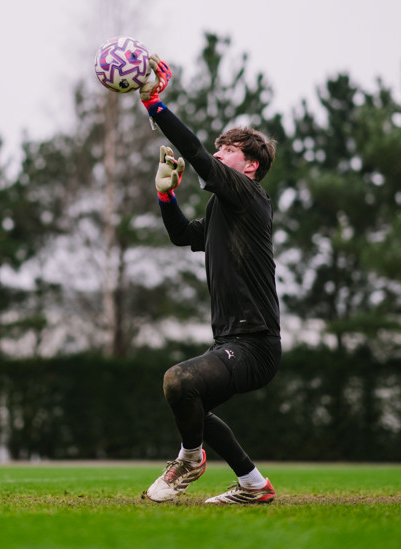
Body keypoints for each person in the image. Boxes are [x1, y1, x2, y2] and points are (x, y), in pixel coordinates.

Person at [138, 55, 281, 505]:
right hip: (232, 339)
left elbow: (197, 154)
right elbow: (183, 236)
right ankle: (254, 485)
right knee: (193, 405)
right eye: (220, 149)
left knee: (179, 382)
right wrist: (165, 196)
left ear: (250, 166)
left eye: (229, 150)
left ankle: (189, 459)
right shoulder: (224, 207)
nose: (219, 154)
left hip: (255, 343)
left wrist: (154, 104)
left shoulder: (248, 195)